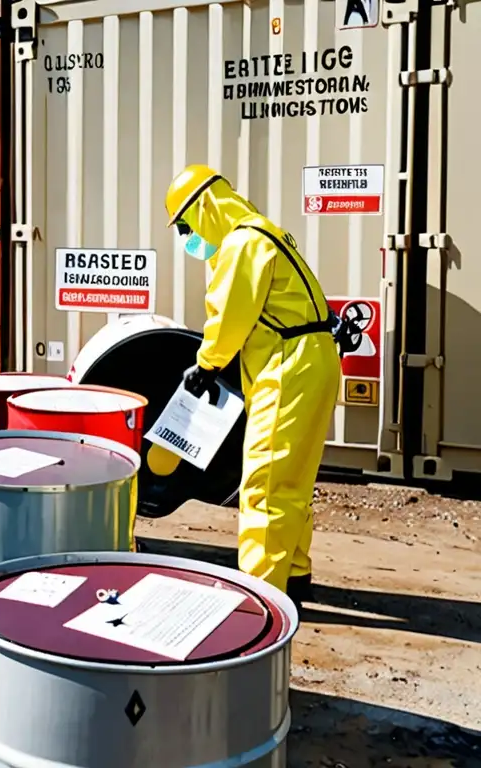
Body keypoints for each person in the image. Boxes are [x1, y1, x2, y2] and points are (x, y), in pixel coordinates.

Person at [164, 165, 341, 614]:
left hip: (288, 366)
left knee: (263, 482)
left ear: (205, 207)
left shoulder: (242, 242)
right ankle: (294, 574)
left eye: (186, 225)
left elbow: (230, 315)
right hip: (314, 358)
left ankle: (259, 594)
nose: (188, 238)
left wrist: (205, 366)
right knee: (292, 477)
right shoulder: (269, 233)